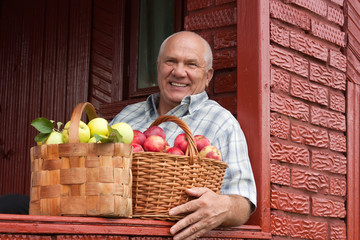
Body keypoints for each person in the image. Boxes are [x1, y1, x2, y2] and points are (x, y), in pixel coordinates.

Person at [110, 31, 257, 240]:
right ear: (158, 66)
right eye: (170, 61)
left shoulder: (222, 123)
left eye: (191, 64)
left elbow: (244, 200)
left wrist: (223, 206)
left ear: (208, 76)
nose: (178, 72)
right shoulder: (127, 117)